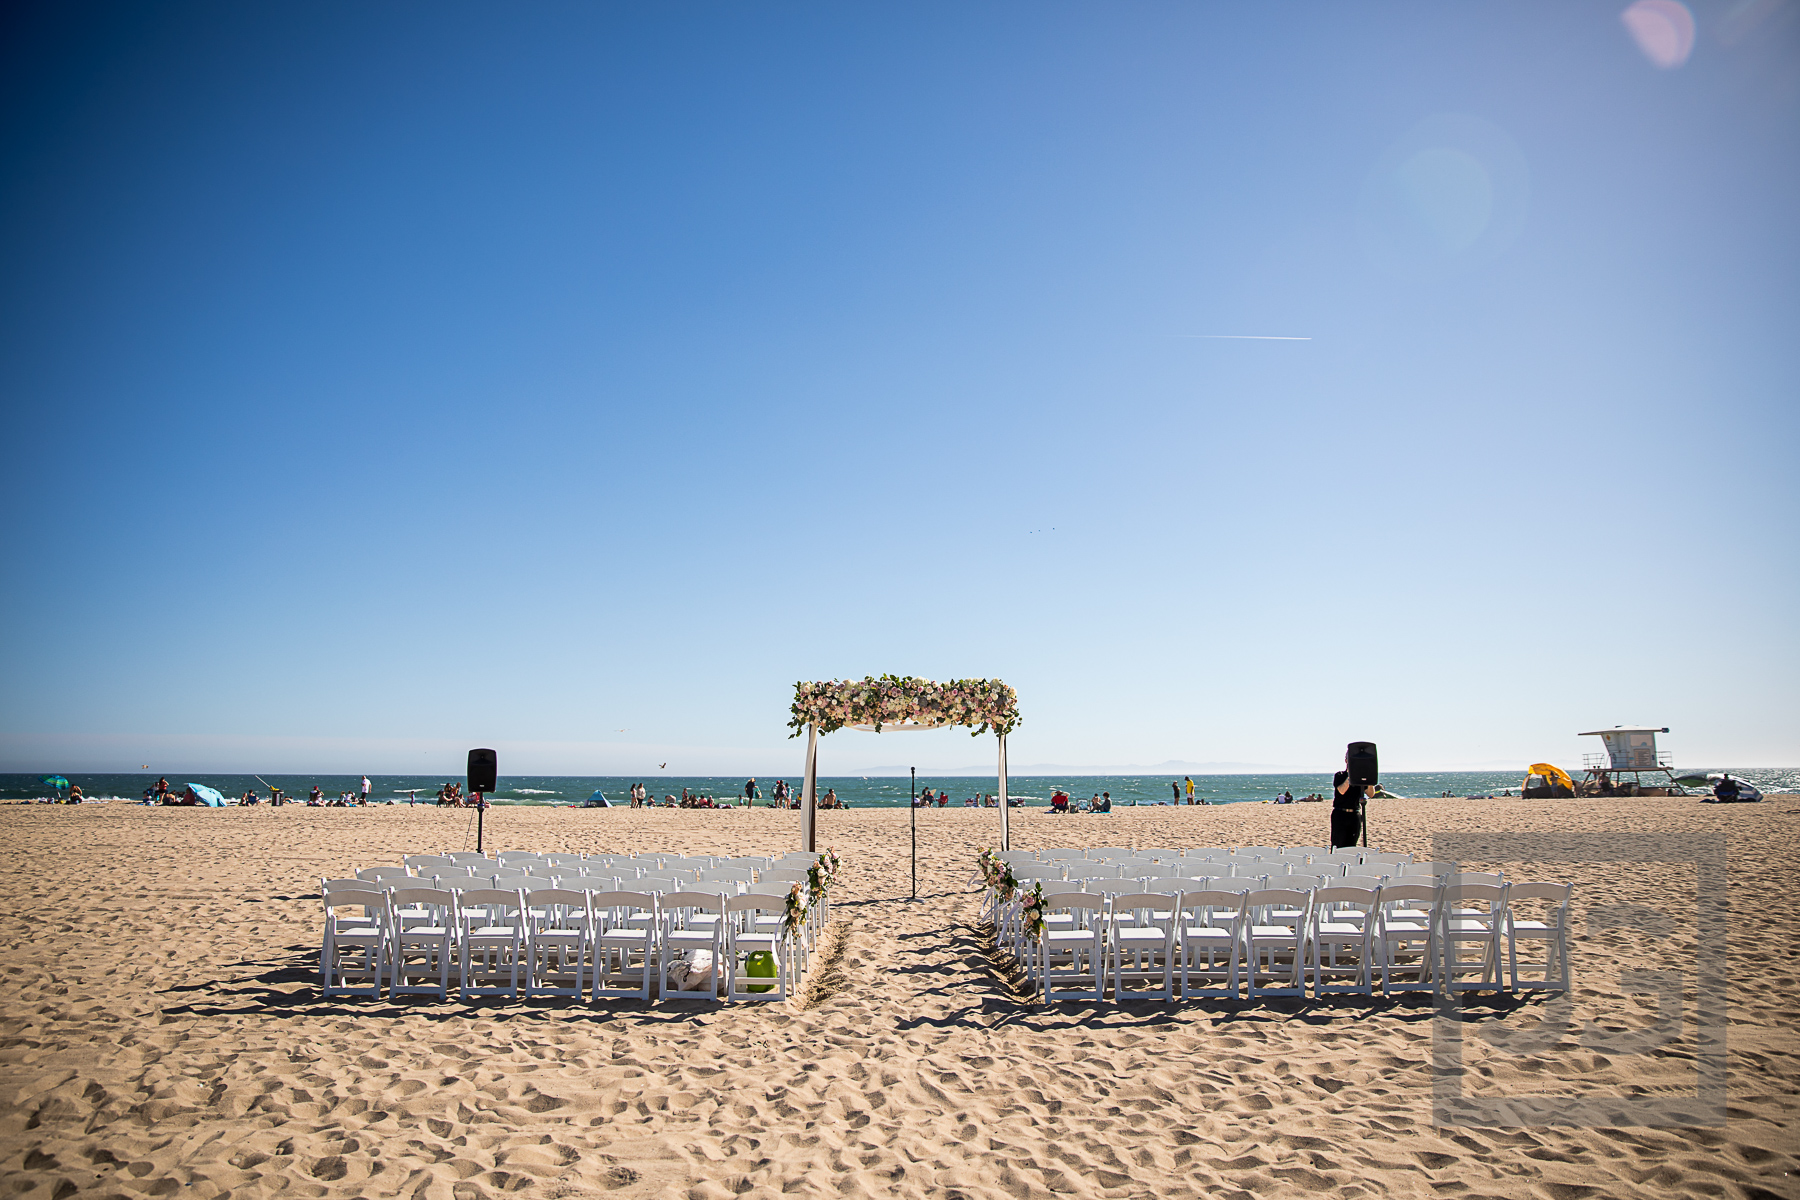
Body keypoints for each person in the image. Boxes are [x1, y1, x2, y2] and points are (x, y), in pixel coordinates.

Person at [1331, 758, 1367, 849]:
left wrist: (1369, 779)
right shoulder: (1340, 775)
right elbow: (1341, 791)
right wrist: (1351, 775)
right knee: (1338, 845)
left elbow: (1371, 793)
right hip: (1340, 814)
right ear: (1346, 760)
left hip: (1354, 814)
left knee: (1352, 846)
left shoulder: (1360, 778)